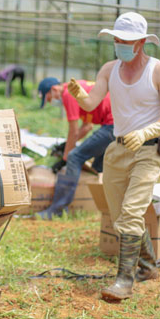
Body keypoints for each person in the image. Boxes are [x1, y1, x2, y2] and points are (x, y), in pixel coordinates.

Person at [68, 12, 160, 302]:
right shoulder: (109, 69)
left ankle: (124, 281)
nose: (120, 45)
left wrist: (146, 133)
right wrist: (80, 95)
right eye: (117, 40)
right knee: (119, 217)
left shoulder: (159, 71)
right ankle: (148, 266)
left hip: (147, 150)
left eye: (126, 41)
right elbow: (93, 102)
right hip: (117, 149)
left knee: (131, 213)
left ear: (141, 42)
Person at [36, 76, 114, 219]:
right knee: (97, 166)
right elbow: (87, 126)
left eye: (48, 98)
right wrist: (66, 145)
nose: (50, 102)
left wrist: (65, 157)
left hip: (113, 124)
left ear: (54, 89)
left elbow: (73, 130)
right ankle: (94, 204)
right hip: (116, 122)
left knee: (75, 157)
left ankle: (57, 210)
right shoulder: (76, 87)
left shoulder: (68, 94)